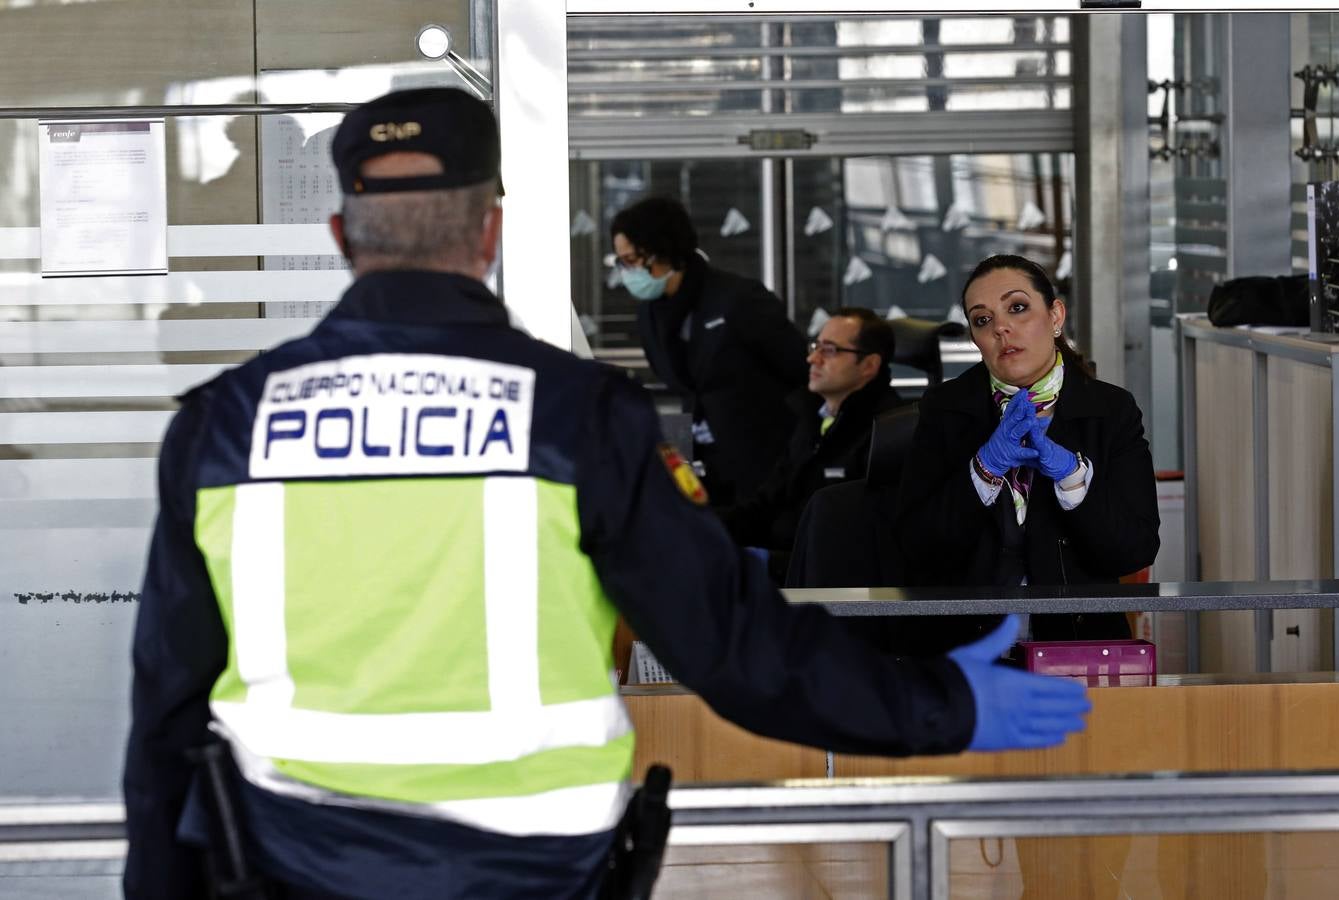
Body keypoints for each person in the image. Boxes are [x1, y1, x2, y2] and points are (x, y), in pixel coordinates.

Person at [122, 90, 1091, 900]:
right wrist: (940, 706)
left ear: (341, 232)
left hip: (291, 867)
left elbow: (168, 706)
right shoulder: (578, 417)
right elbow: (735, 649)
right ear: (490, 231)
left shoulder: (223, 425)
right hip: (533, 872)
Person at [896, 254, 1161, 643]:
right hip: (966, 648)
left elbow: (1133, 551)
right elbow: (917, 548)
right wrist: (983, 471)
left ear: (1055, 317)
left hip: (1078, 645)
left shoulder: (1110, 410)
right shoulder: (944, 409)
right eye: (983, 320)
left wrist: (1073, 479)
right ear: (975, 339)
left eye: (1017, 308)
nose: (1002, 327)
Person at [611, 197, 807, 506]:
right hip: (706, 470)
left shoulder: (738, 299)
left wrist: (799, 449)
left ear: (663, 250)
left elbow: (800, 370)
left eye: (632, 259)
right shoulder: (650, 316)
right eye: (620, 262)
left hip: (768, 467)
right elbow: (684, 392)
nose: (626, 272)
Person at [720, 308, 902, 582]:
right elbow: (765, 504)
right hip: (785, 564)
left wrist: (768, 564)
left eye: (829, 350)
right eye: (815, 346)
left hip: (825, 583)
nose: (812, 358)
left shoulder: (889, 431)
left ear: (868, 366)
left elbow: (855, 546)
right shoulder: (812, 418)